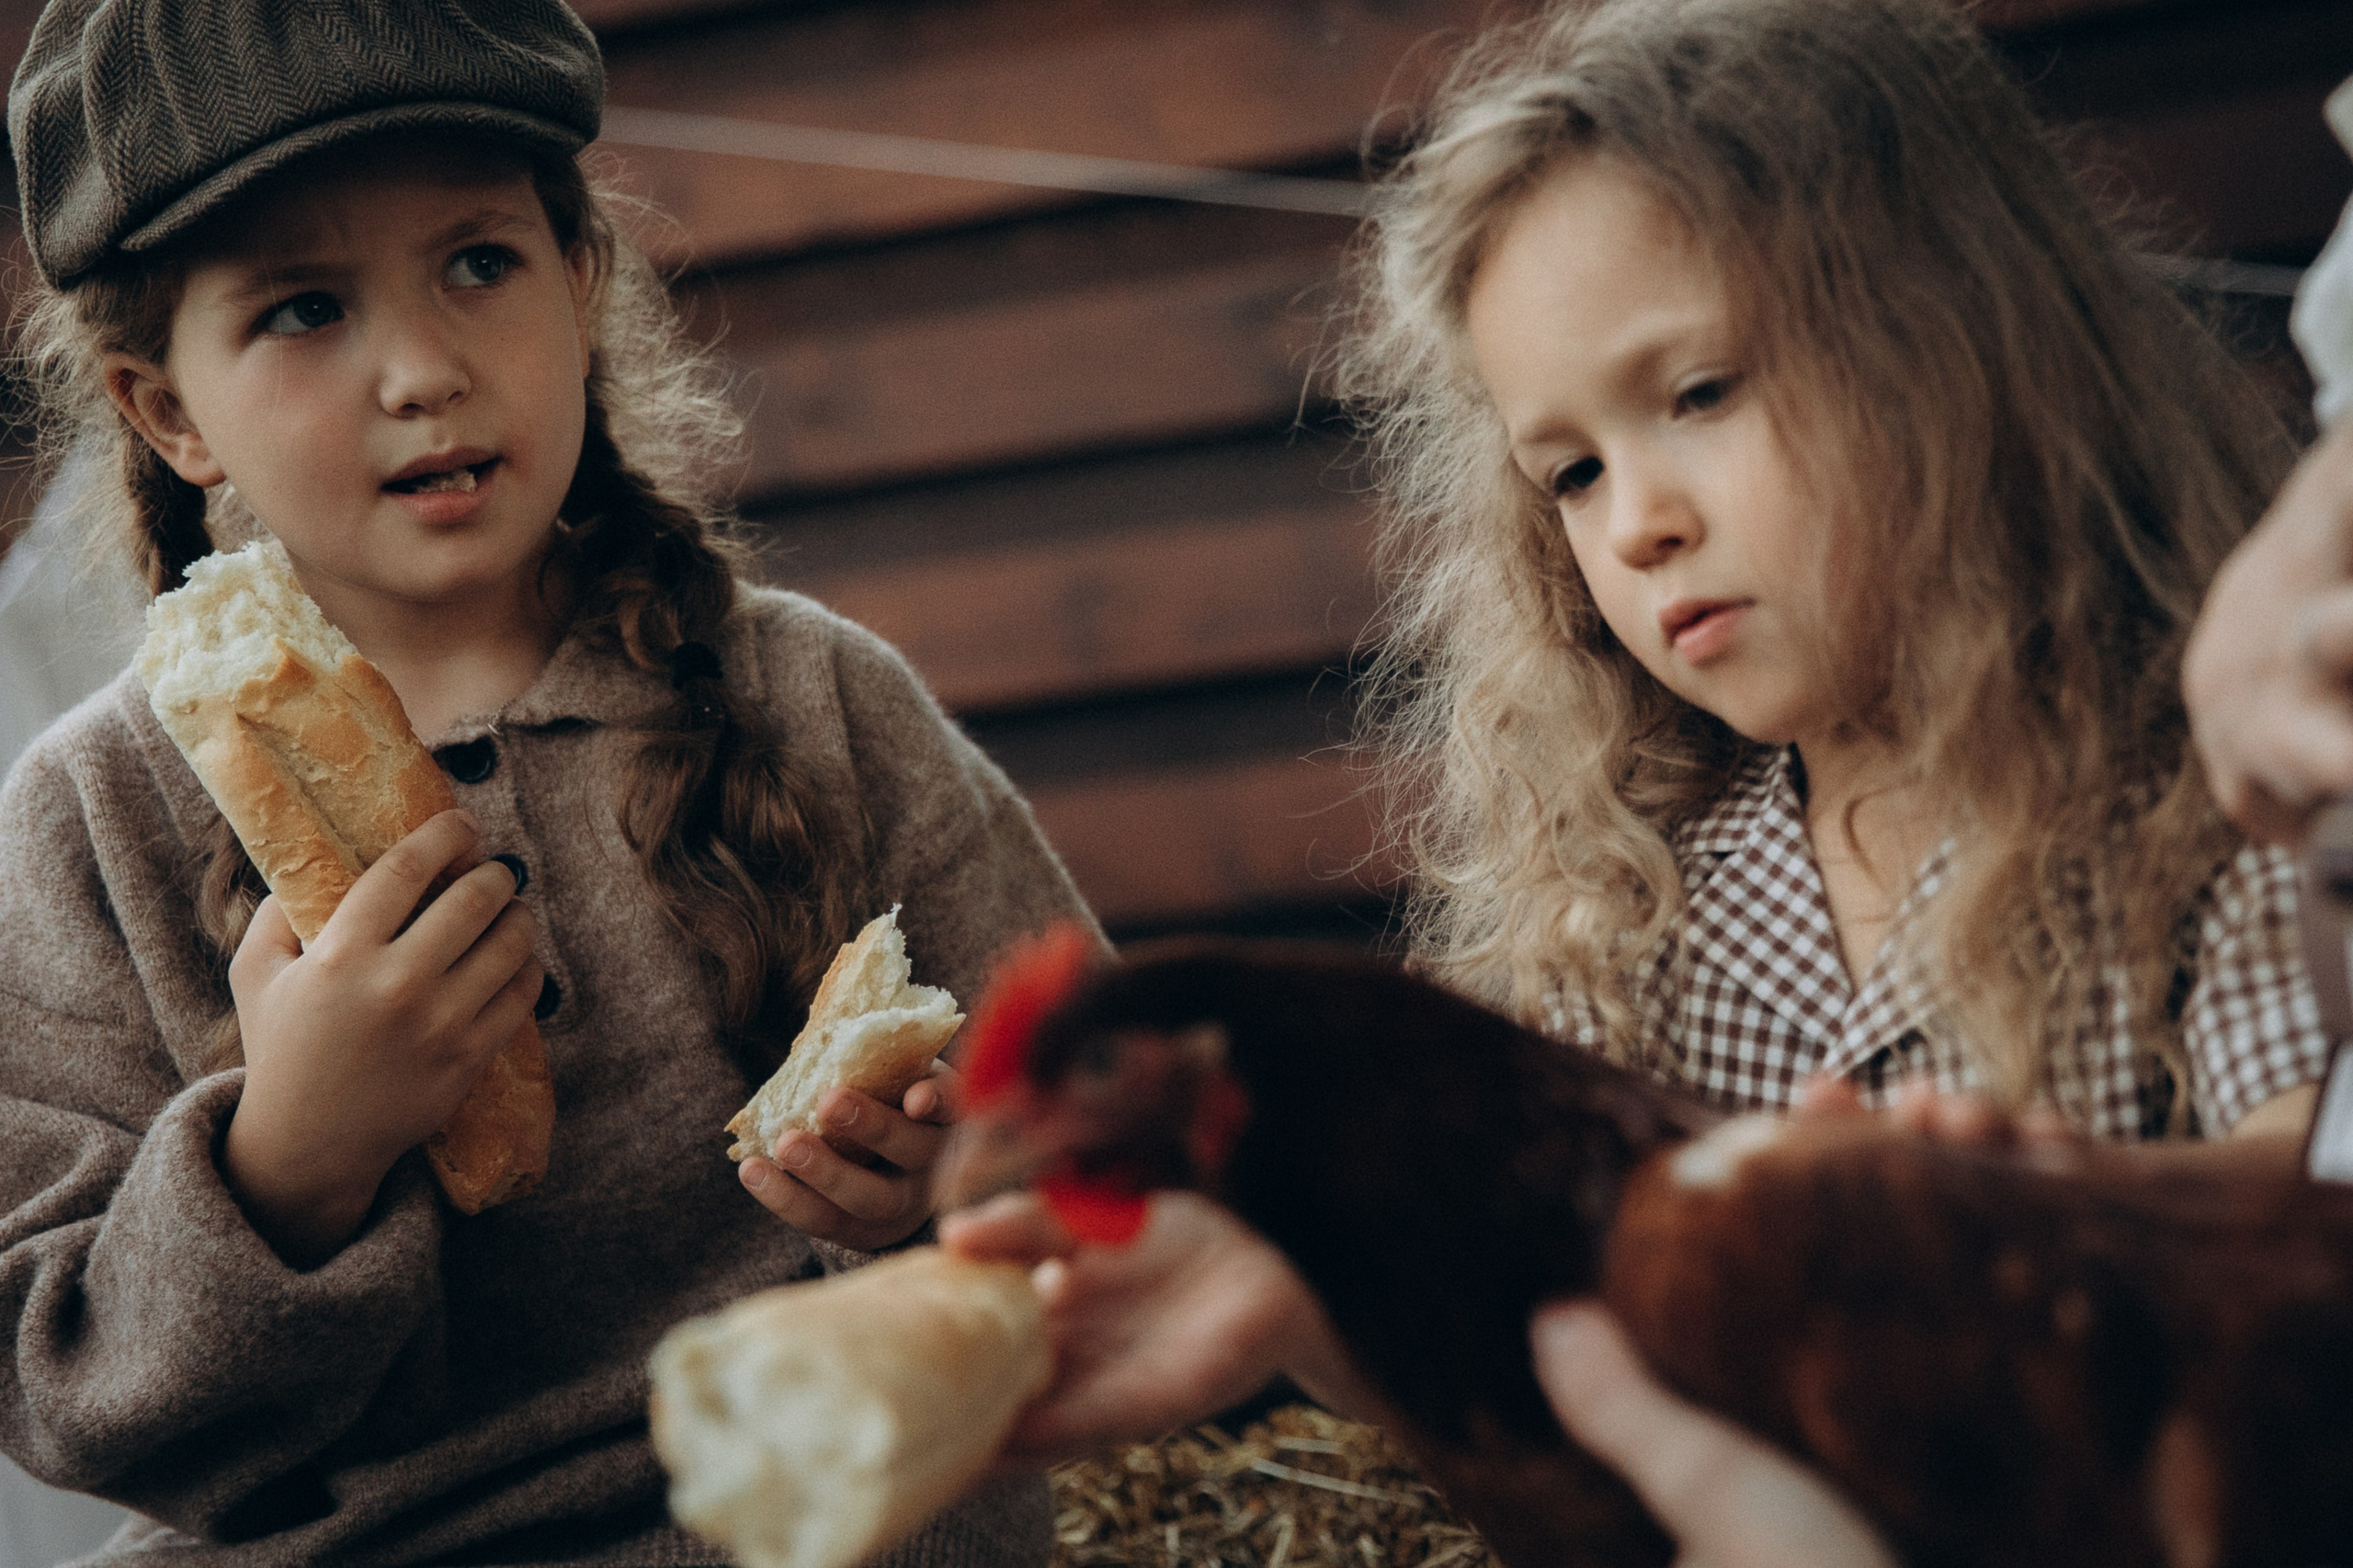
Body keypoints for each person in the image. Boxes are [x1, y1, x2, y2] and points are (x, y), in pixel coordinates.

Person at [952, 0, 2337, 1555]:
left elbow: (2309, 1205)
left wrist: (2014, 1223)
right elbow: (1543, 1345)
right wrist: (1317, 1282)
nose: (1639, 524)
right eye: (1574, 471)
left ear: (1959, 342)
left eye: (1696, 394)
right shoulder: (1651, 900)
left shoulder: (2214, 800)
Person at [0, 2, 1090, 1563]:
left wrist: (945, 1176)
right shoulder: (87, 824)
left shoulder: (812, 695)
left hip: (809, 1508)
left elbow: (1092, 1118)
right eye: (306, 308)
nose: (425, 370)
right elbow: (74, 1389)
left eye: (478, 263)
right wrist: (287, 1162)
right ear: (165, 409)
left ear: (579, 285)